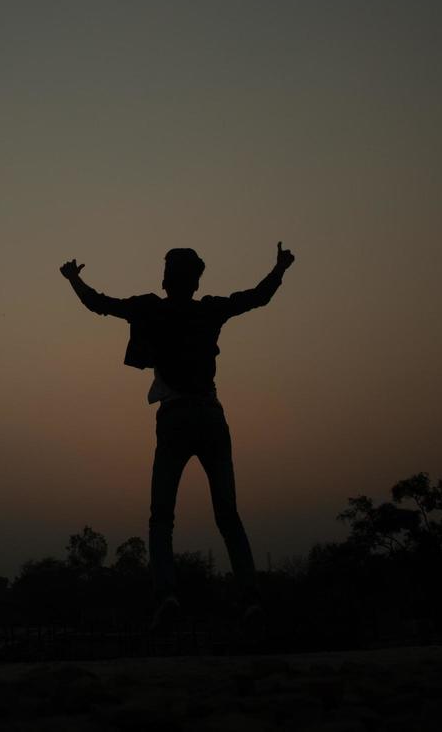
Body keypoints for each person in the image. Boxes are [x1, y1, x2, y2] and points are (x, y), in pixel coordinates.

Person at [59, 243, 294, 624]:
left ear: (168, 277)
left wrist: (73, 279)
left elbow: (100, 304)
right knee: (228, 515)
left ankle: (167, 595)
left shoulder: (150, 308)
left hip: (175, 419)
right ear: (196, 279)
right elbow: (258, 297)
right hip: (211, 417)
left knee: (162, 517)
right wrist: (280, 266)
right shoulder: (209, 310)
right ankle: (251, 599)